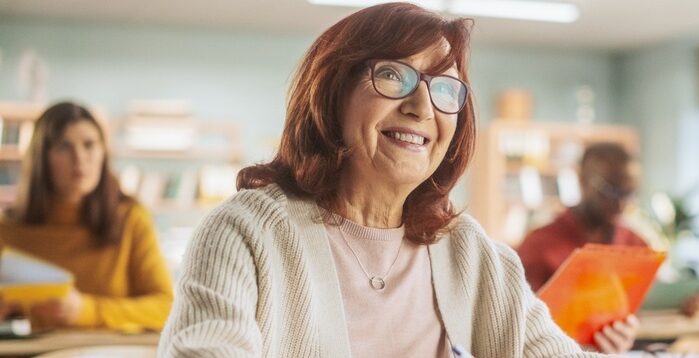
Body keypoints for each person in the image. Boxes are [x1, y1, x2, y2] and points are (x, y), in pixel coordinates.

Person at [158, 3, 627, 357]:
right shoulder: (243, 233)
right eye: (392, 75)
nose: (422, 107)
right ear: (331, 94)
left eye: (444, 88)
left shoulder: (470, 250)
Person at [0, 102, 174, 331]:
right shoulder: (9, 230)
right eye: (63, 146)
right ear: (41, 157)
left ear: (103, 152)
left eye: (89, 145)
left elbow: (167, 308)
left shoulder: (131, 219)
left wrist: (85, 310)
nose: (79, 158)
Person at [517, 143, 699, 353]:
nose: (621, 203)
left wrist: (680, 307)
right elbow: (518, 326)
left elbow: (652, 307)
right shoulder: (539, 244)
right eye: (611, 190)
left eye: (629, 193)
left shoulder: (635, 243)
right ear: (583, 181)